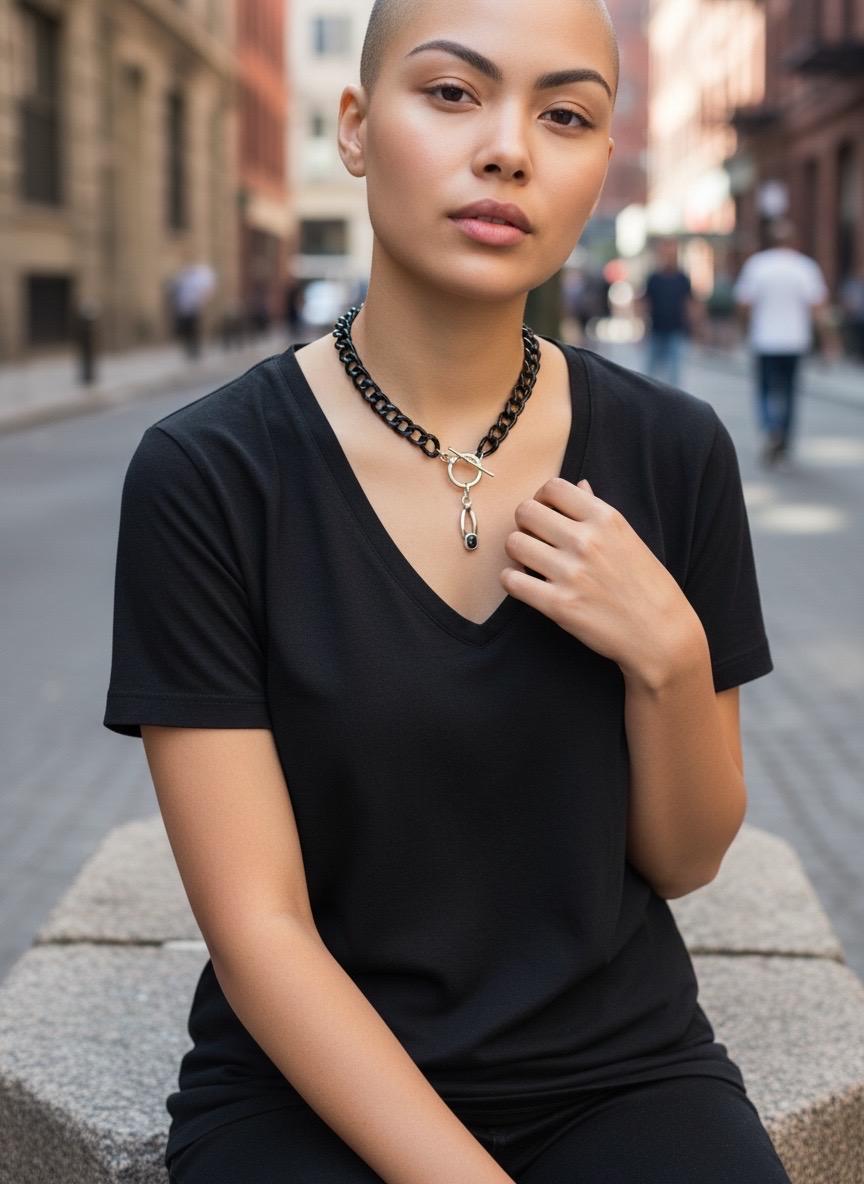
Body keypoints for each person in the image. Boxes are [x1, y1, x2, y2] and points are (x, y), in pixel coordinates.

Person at [103, 1, 792, 1181]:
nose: (510, 147)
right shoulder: (210, 473)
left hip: (621, 1072)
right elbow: (260, 927)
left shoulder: (676, 450)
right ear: (359, 128)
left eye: (566, 114)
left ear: (598, 164)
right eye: (454, 93)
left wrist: (670, 652)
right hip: (307, 1084)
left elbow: (682, 857)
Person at [733, 219, 829, 467]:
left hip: (764, 339)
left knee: (765, 390)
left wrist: (744, 330)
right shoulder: (805, 267)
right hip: (795, 341)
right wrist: (827, 341)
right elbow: (818, 308)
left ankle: (771, 428)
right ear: (794, 241)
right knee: (789, 390)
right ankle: (783, 435)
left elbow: (744, 304)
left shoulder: (758, 266)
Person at [638, 237, 699, 388]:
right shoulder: (653, 278)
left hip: (676, 330)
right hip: (656, 329)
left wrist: (696, 327)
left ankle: (672, 406)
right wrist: (642, 329)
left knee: (674, 374)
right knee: (650, 375)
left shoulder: (682, 278)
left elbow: (689, 304)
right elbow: (645, 303)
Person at [170, 258, 216, 360]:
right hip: (183, 310)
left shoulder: (197, 280)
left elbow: (204, 292)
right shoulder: (183, 280)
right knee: (186, 331)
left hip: (193, 309)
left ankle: (195, 351)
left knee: (194, 331)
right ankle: (189, 350)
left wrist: (201, 302)